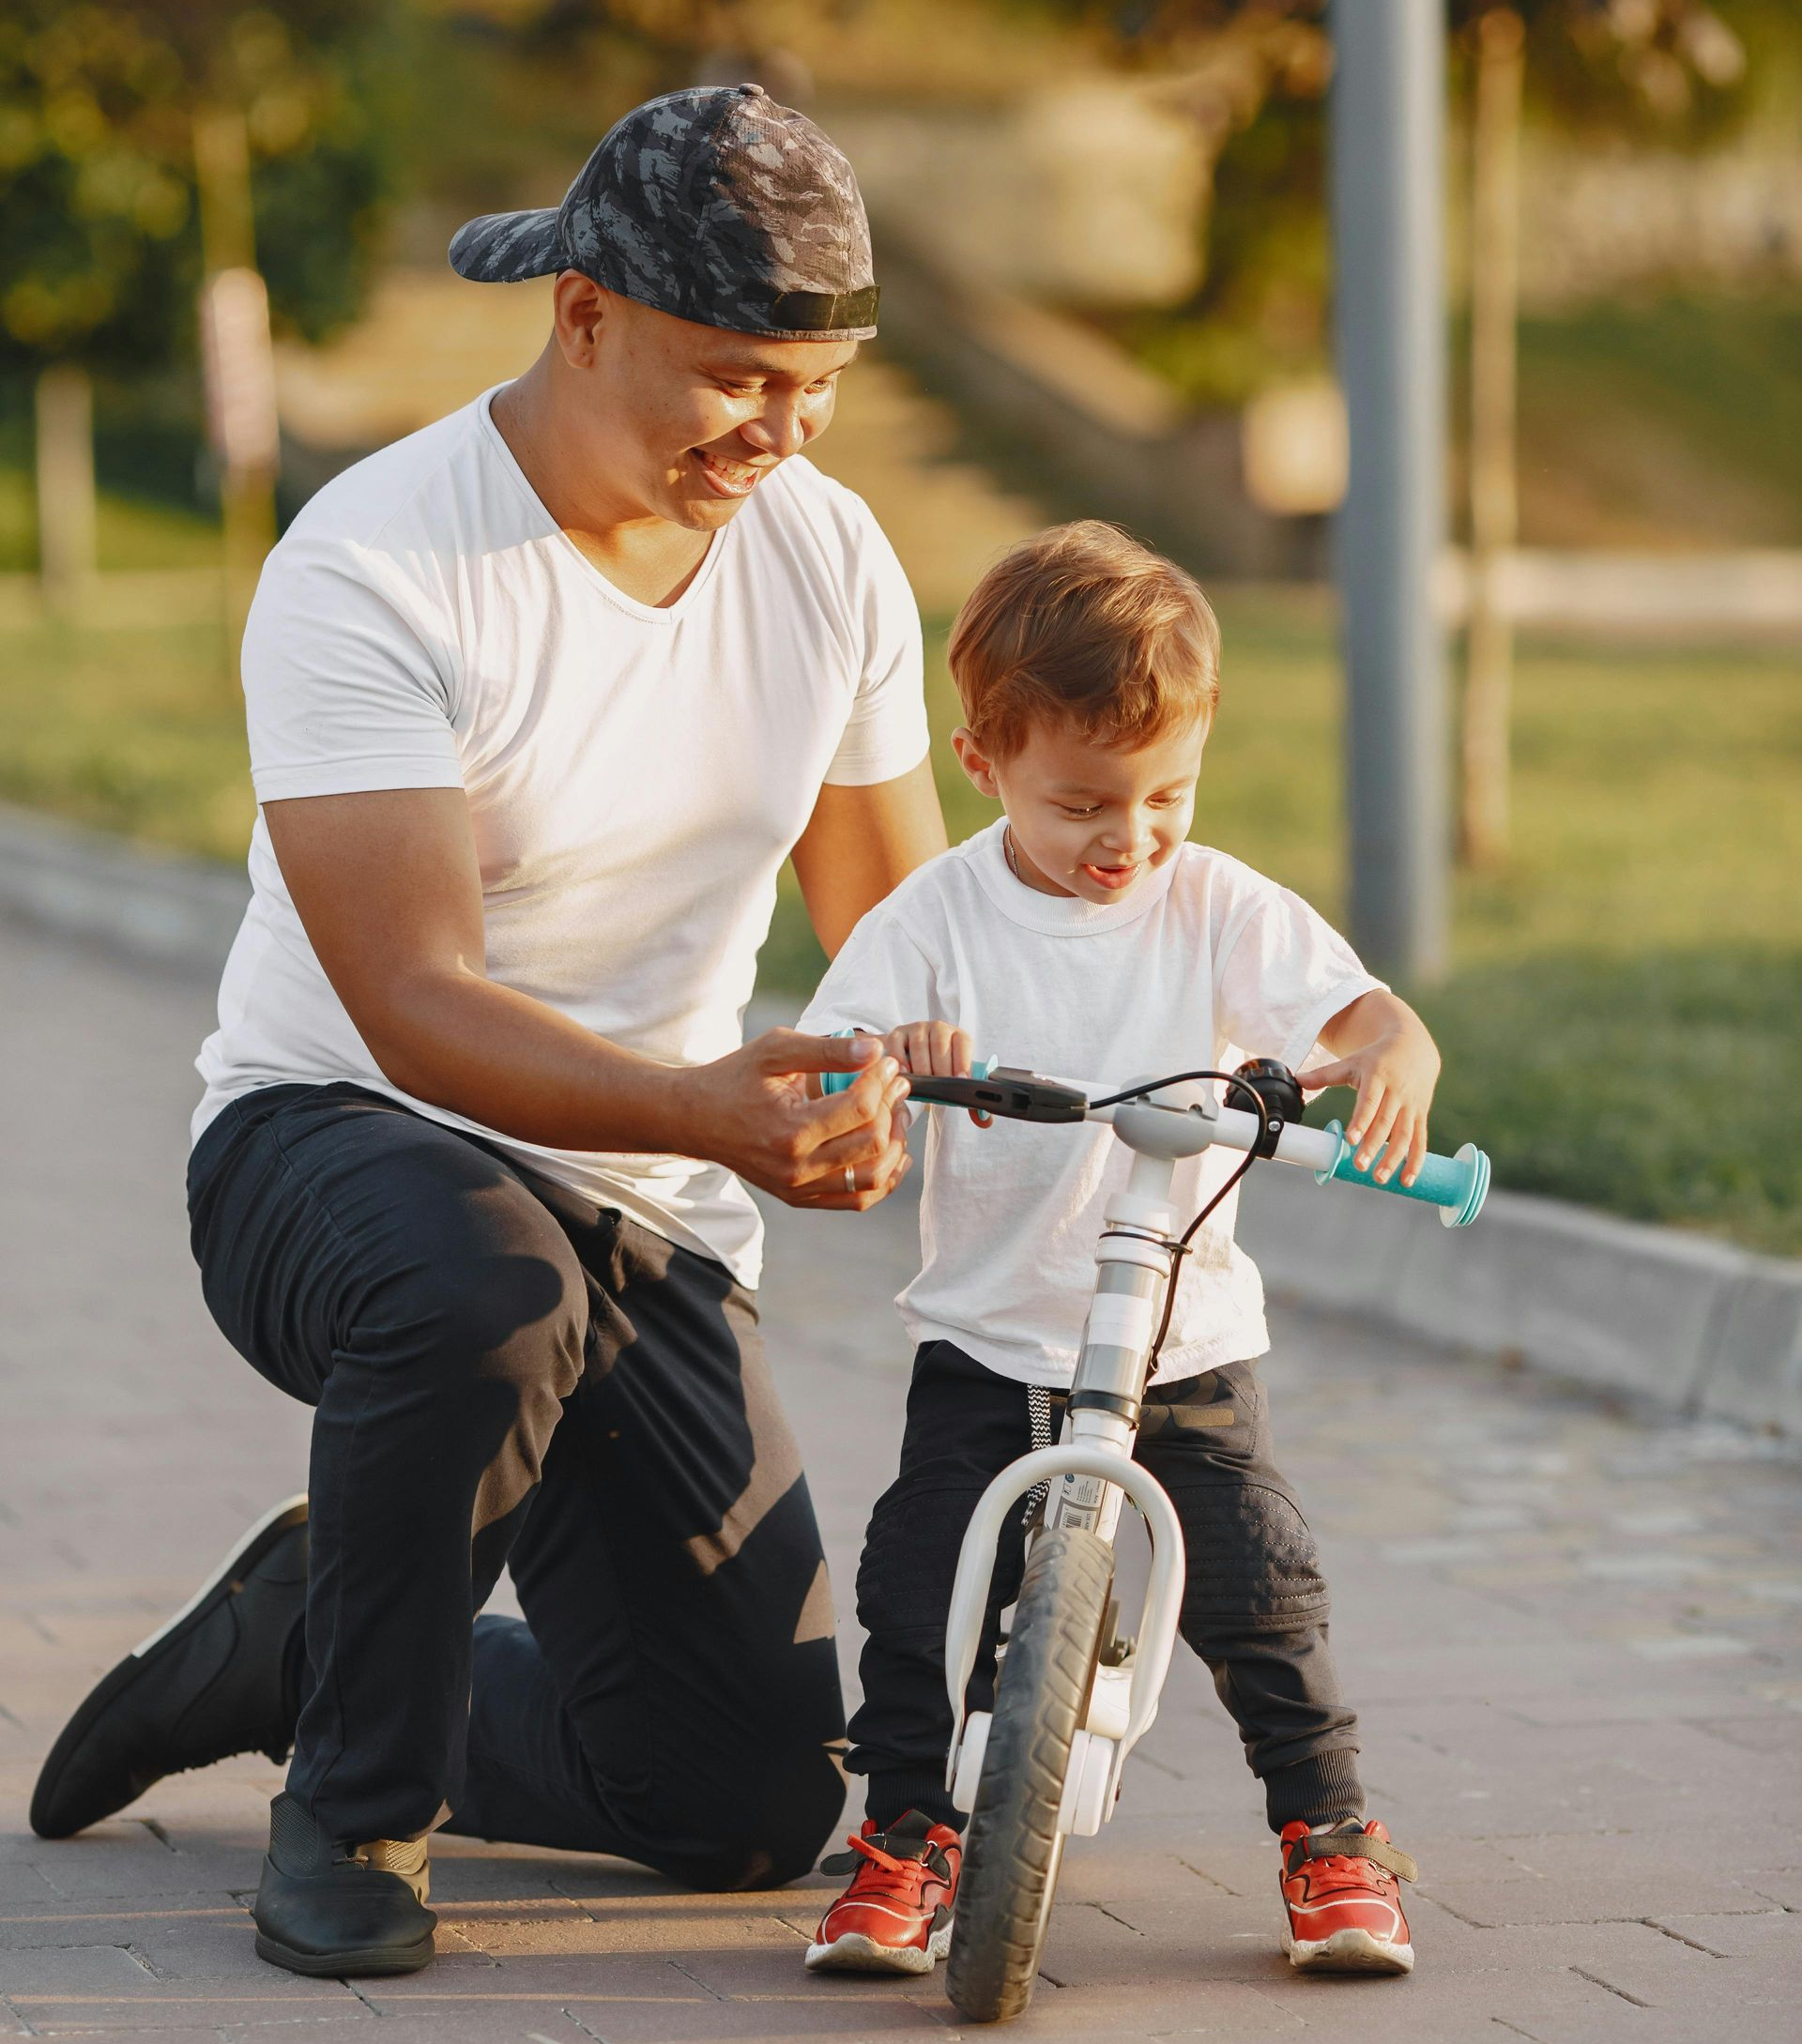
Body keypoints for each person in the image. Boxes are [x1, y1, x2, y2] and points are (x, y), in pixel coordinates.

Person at [28, 84, 945, 1979]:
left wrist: (913, 1077)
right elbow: (418, 1003)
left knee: (748, 1804)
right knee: (486, 1289)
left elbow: (887, 923)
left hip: (650, 1194)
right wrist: (708, 1101)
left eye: (814, 385)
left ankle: (307, 1643)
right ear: (585, 314)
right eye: (735, 380)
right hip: (335, 1141)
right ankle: (356, 1816)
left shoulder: (830, 556)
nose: (778, 435)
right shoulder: (374, 567)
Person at [795, 522, 1432, 1980]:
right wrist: (884, 1056)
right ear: (986, 765)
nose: (1129, 836)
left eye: (1166, 795)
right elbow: (831, 1060)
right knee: (915, 1593)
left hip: (1182, 1344)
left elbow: (1361, 1019)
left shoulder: (1214, 903)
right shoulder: (937, 914)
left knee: (1262, 1592)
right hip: (988, 1338)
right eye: (1083, 800)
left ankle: (1330, 1837)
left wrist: (1393, 1050)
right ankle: (904, 1837)